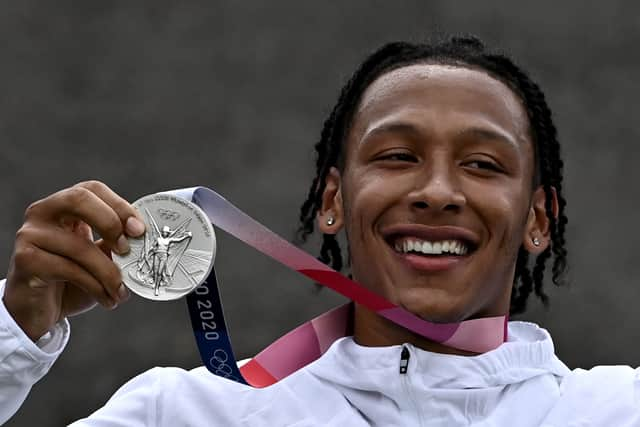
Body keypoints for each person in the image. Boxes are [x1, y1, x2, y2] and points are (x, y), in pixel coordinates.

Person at [1, 35, 638, 426]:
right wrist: (14, 334)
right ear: (333, 200)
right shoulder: (184, 414)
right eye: (397, 156)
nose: (438, 192)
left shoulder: (620, 409)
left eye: (482, 164)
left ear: (537, 219)